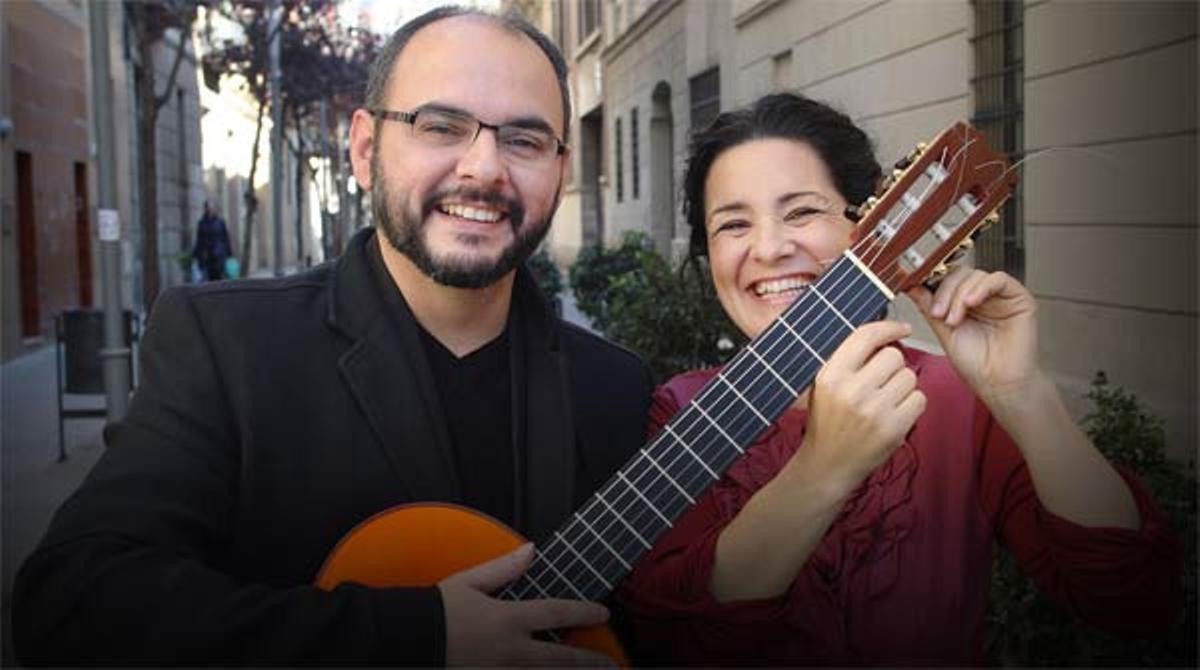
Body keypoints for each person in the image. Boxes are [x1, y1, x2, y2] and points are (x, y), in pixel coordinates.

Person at [14, 7, 653, 666]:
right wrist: (413, 638)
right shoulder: (225, 345)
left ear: (560, 169)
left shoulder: (617, 387)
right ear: (366, 150)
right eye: (441, 127)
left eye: (524, 140)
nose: (484, 167)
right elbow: (71, 604)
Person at [615, 93, 1182, 666]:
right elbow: (667, 642)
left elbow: (1133, 601)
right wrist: (823, 466)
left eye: (803, 212)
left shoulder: (958, 403)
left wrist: (1023, 395)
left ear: (869, 224)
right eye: (733, 224)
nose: (769, 248)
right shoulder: (678, 411)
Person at [192, 201, 232, 281]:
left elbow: (225, 238)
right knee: (207, 279)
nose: (211, 209)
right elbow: (199, 239)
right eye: (209, 207)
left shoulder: (220, 222)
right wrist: (196, 255)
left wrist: (229, 253)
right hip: (207, 256)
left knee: (219, 278)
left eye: (213, 207)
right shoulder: (202, 223)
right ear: (206, 209)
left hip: (219, 255)